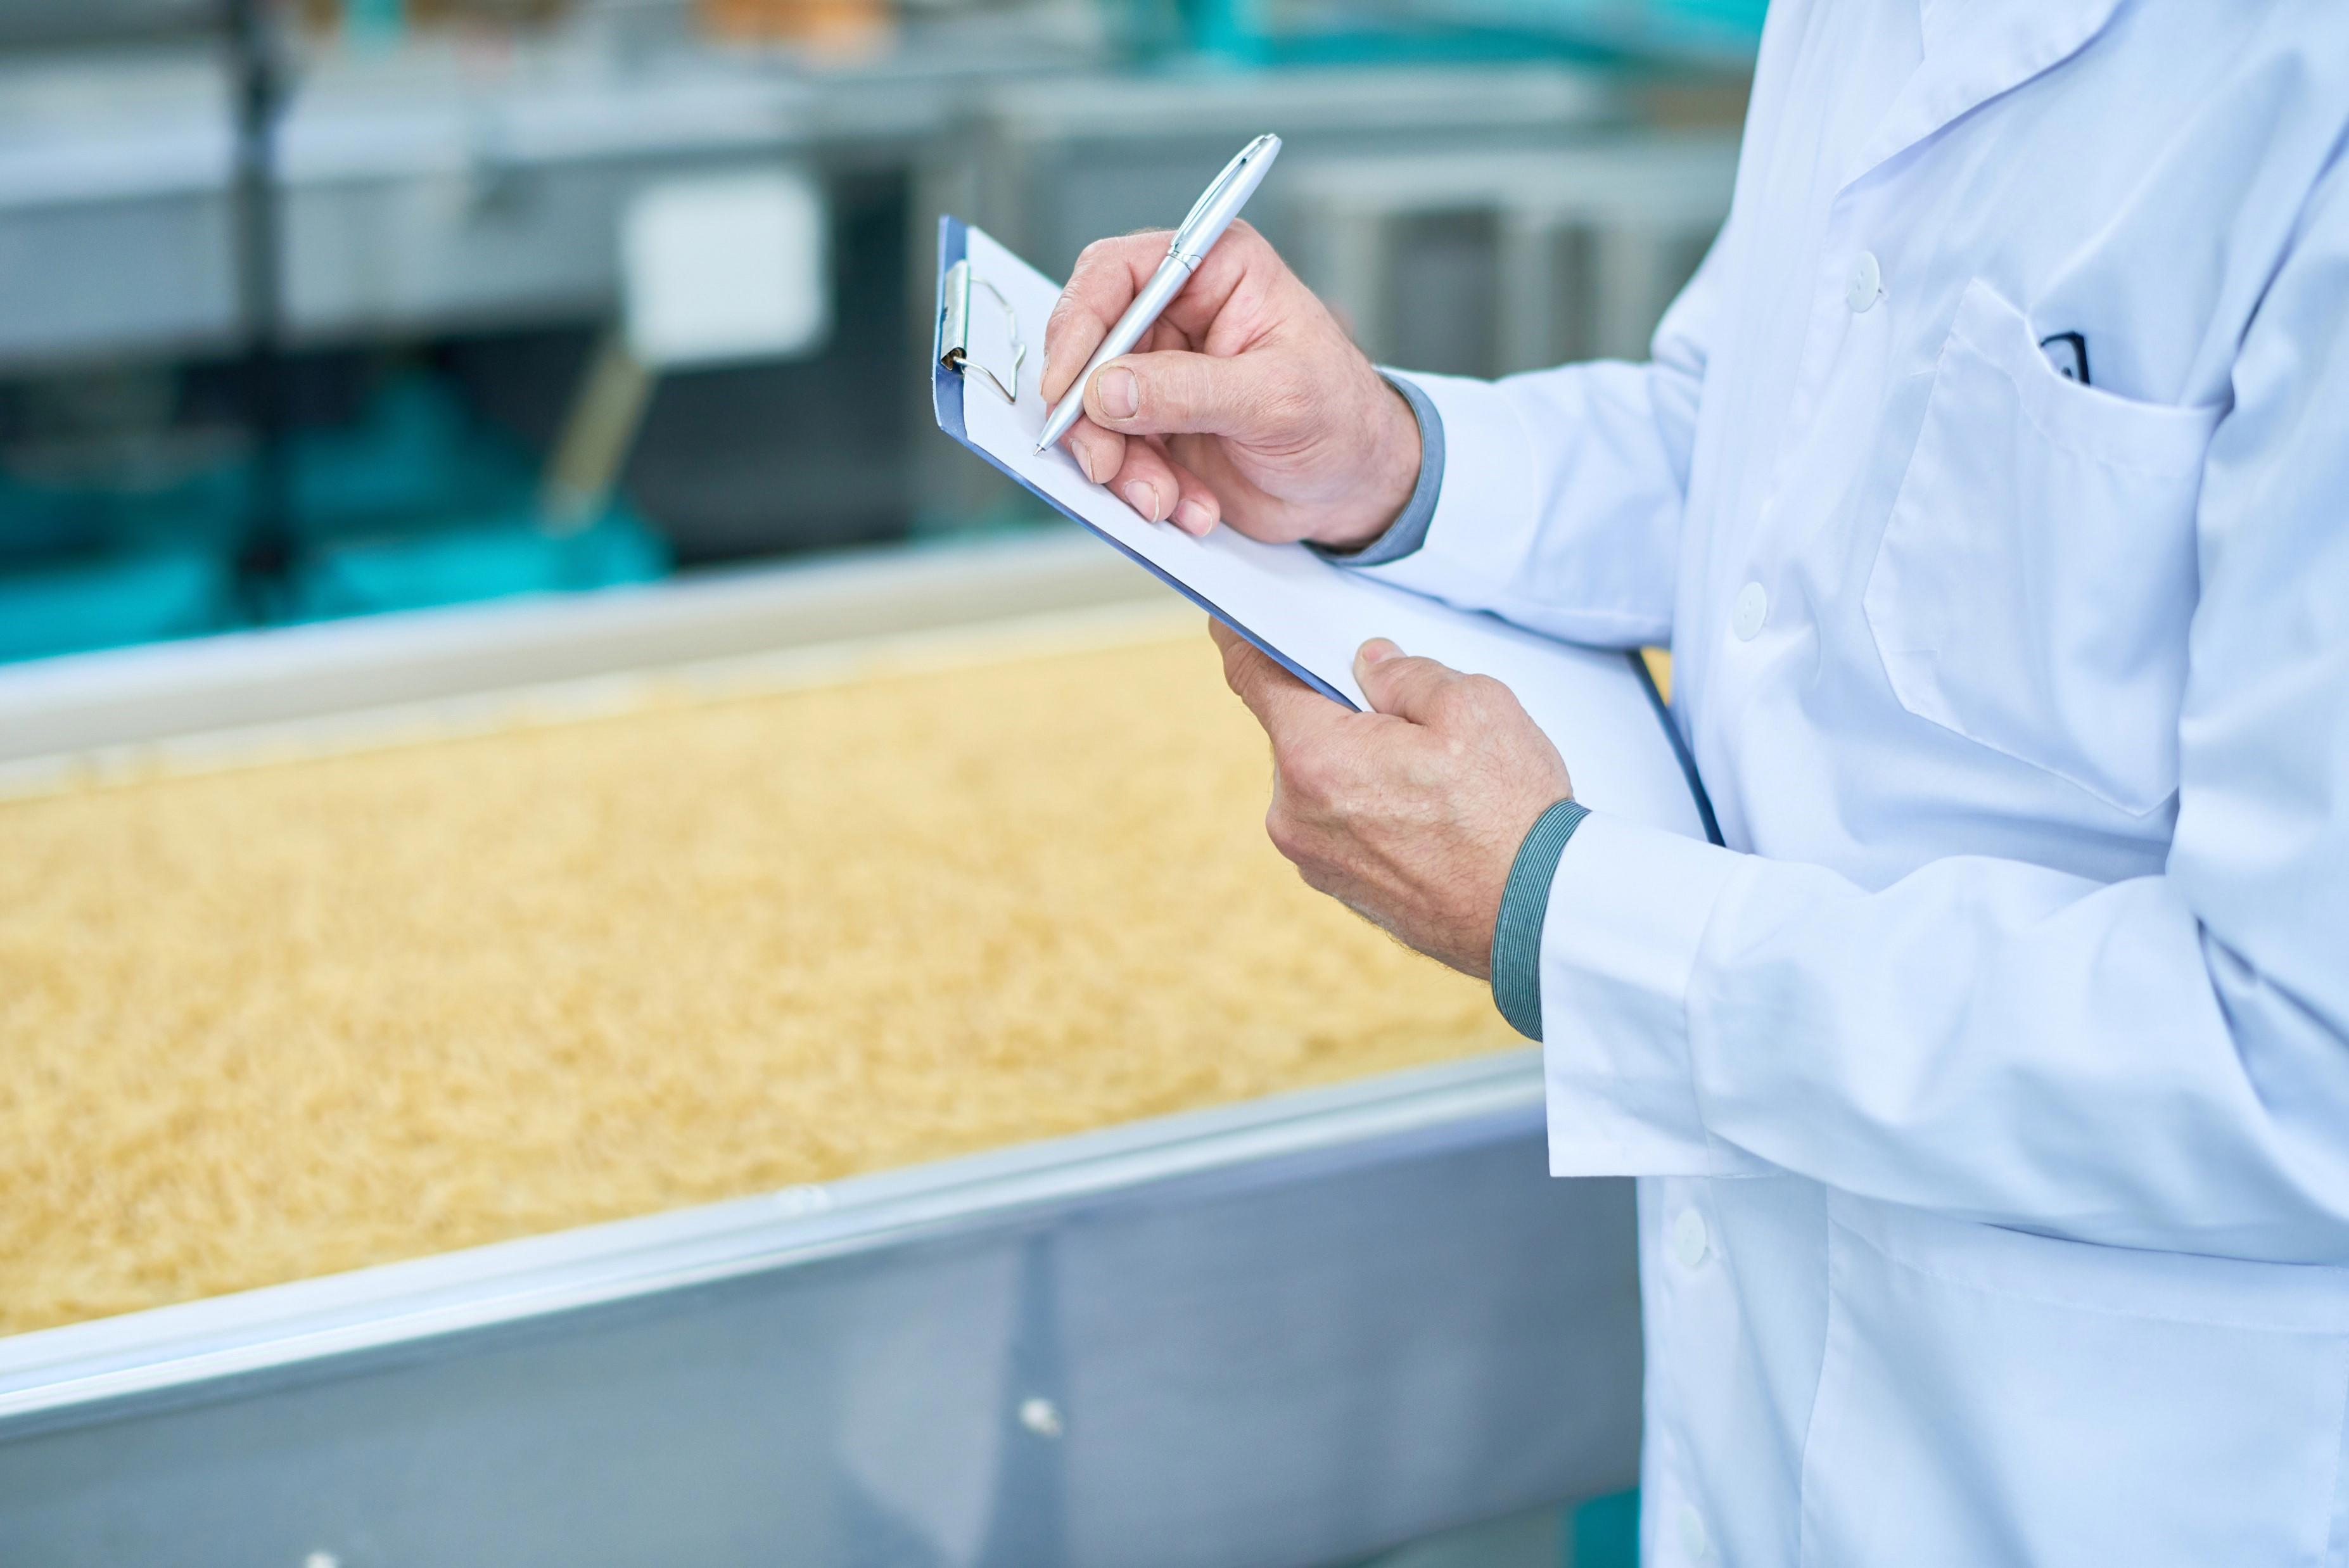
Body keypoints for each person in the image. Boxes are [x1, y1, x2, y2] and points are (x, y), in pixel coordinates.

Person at [1038, 4, 2349, 1563]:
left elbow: (2299, 1056)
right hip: (1762, 1398)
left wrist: (1566, 912)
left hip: (2108, 1463)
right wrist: (1388, 458)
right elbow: (1752, 446)